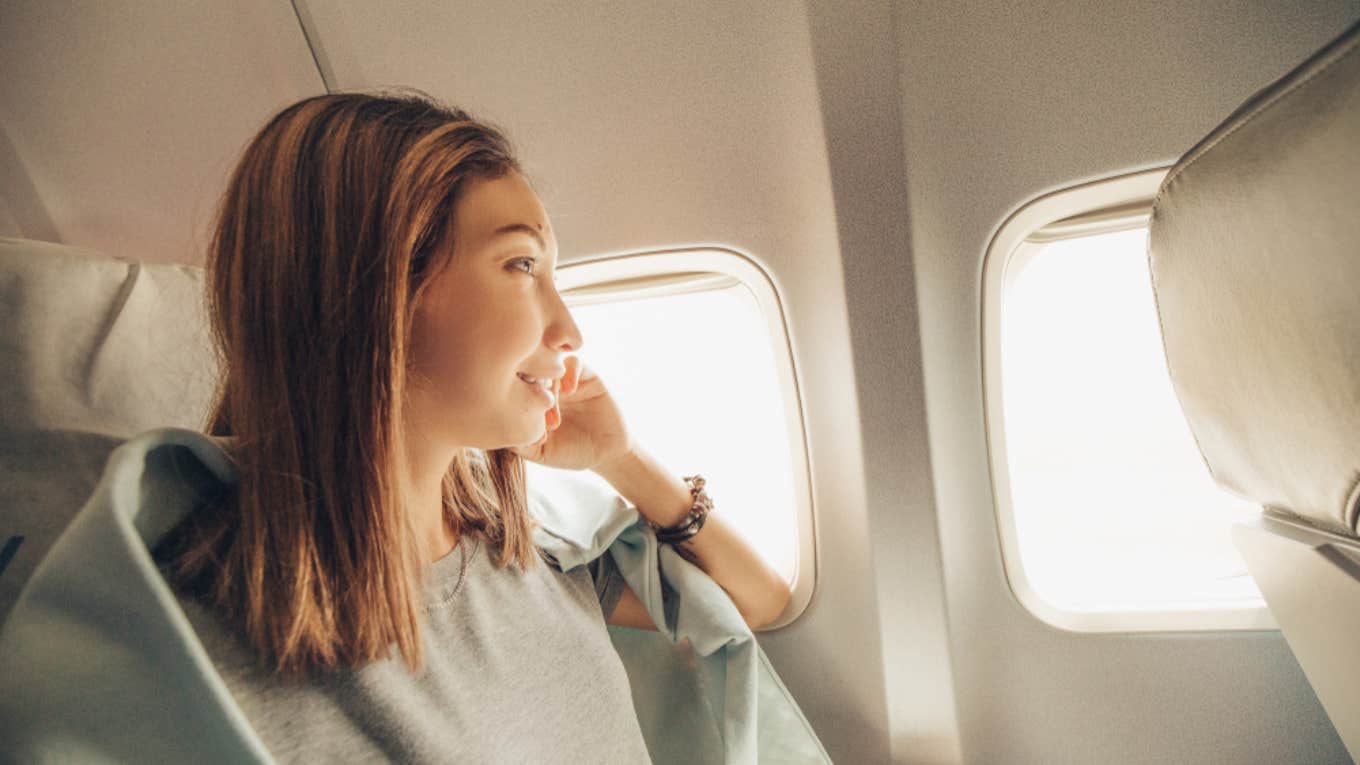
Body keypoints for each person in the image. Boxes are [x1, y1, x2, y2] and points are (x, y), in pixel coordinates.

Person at [149, 90, 793, 763]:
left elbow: (753, 602)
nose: (569, 330)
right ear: (380, 287)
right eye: (521, 265)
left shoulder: (521, 535)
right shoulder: (210, 650)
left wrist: (621, 458)